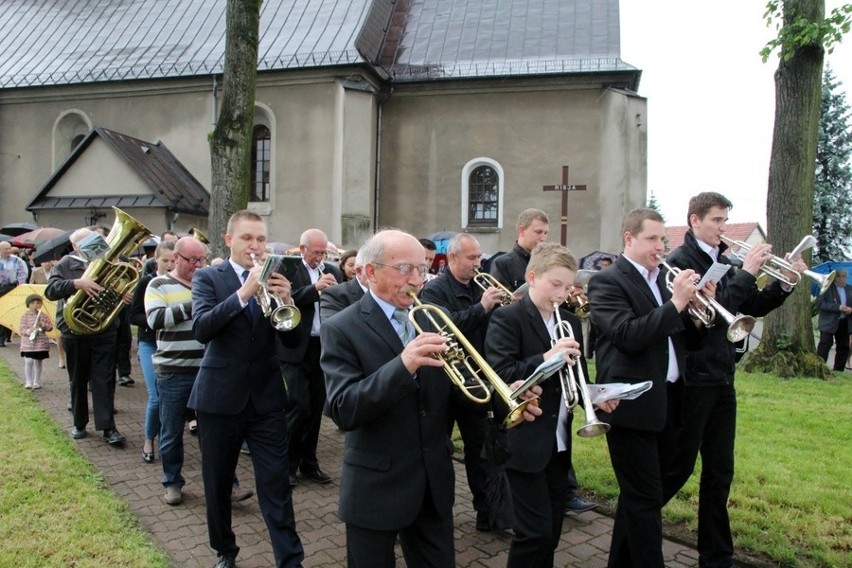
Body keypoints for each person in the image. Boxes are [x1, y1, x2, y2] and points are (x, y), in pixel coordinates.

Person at [320, 228, 542, 568]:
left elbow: (461, 392)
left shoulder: (429, 321)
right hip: (376, 485)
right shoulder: (342, 327)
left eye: (422, 269)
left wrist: (504, 396)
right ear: (369, 272)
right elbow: (343, 409)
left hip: (432, 484)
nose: (416, 279)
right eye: (404, 269)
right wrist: (404, 364)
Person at [662, 192, 806, 568]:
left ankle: (717, 556)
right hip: (693, 379)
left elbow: (748, 306)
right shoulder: (680, 262)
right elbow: (706, 317)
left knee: (720, 470)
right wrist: (746, 272)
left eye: (726, 221)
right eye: (716, 221)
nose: (723, 228)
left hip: (723, 377)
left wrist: (785, 283)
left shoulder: (723, 260)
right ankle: (637, 521)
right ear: (694, 221)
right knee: (678, 467)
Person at [487, 242, 618, 566]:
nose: (561, 293)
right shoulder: (508, 318)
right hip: (524, 440)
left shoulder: (571, 323)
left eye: (567, 286)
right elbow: (500, 373)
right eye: (554, 284)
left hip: (558, 445)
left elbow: (578, 377)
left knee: (552, 531)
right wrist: (547, 357)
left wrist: (598, 398)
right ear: (532, 277)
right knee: (533, 533)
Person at [588, 208, 705, 567]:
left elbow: (683, 343)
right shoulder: (608, 281)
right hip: (631, 403)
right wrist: (678, 303)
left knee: (642, 496)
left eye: (663, 240)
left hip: (668, 401)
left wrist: (696, 311)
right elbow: (628, 336)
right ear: (629, 238)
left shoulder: (661, 281)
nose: (661, 247)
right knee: (645, 500)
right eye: (652, 239)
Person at [189, 210, 303, 568]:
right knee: (218, 482)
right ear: (229, 240)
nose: (255, 246)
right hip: (219, 395)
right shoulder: (209, 277)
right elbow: (202, 329)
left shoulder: (277, 278)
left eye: (260, 239)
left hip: (266, 398)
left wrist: (289, 301)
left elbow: (294, 341)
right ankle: (225, 550)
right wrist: (244, 293)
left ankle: (290, 559)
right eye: (247, 238)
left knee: (276, 485)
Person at [420, 233, 506, 531]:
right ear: (452, 259)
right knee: (437, 449)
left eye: (479, 257)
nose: (477, 263)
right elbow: (443, 328)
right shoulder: (434, 289)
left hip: (476, 381)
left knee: (481, 451)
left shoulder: (483, 286)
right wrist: (481, 308)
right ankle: (433, 514)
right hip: (443, 380)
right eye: (471, 258)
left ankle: (489, 514)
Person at [46, 228, 128, 446]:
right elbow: (51, 290)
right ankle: (79, 423)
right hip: (75, 330)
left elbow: (114, 291)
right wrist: (76, 284)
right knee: (78, 379)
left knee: (104, 379)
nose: (95, 245)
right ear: (75, 246)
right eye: (88, 242)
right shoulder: (65, 264)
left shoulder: (108, 263)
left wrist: (122, 295)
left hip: (103, 329)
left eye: (96, 241)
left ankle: (108, 428)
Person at [146, 237, 211, 505]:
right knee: (171, 433)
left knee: (214, 432)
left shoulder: (207, 282)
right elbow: (156, 319)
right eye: (192, 260)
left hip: (206, 370)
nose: (198, 265)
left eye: (202, 260)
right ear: (176, 258)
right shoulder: (158, 284)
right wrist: (193, 305)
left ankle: (226, 484)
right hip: (173, 371)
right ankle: (172, 483)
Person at [281, 228, 342, 486]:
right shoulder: (287, 267)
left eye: (323, 252)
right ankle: (286, 465)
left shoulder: (332, 270)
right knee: (298, 405)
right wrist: (314, 289)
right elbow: (283, 300)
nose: (319, 257)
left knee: (316, 406)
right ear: (302, 248)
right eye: (316, 252)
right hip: (295, 347)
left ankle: (309, 462)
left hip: (321, 346)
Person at [131, 241, 176, 464]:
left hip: (172, 345)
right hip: (150, 344)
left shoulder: (182, 282)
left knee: (172, 398)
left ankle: (167, 440)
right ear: (156, 260)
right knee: (156, 397)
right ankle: (149, 439)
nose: (169, 264)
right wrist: (156, 321)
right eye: (165, 260)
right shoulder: (147, 282)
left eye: (172, 260)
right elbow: (134, 315)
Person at [489, 208, 550, 292]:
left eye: (545, 233)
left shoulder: (548, 263)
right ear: (521, 231)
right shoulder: (502, 264)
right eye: (538, 232)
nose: (543, 238)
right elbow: (502, 303)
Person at [816, 269, 851, 371]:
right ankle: (820, 367)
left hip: (844, 321)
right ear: (835, 277)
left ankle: (839, 369)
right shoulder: (826, 287)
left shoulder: (850, 289)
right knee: (825, 344)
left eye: (844, 276)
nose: (841, 278)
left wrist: (850, 309)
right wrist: (837, 307)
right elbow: (820, 304)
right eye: (839, 276)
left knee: (844, 346)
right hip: (828, 322)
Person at [320, 247, 367, 322]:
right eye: (351, 265)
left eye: (357, 265)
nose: (354, 269)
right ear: (343, 266)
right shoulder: (336, 289)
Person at [19, 293, 53, 389]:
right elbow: (22, 329)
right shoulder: (25, 316)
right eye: (33, 303)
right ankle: (28, 381)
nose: (35, 305)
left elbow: (50, 327)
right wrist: (30, 330)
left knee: (38, 362)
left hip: (40, 343)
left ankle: (36, 381)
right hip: (28, 343)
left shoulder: (43, 315)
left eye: (38, 303)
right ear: (28, 304)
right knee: (28, 361)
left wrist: (42, 324)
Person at [0, 241, 28, 347]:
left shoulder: (17, 260)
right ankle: (2, 338)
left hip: (11, 288)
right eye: (6, 248)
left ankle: (6, 336)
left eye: (9, 248)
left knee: (7, 312)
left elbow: (22, 273)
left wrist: (21, 286)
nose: (8, 250)